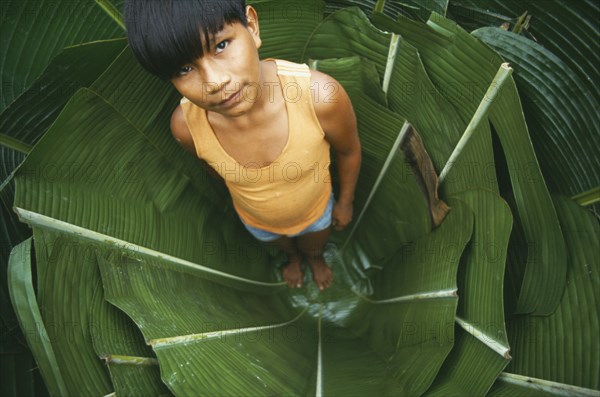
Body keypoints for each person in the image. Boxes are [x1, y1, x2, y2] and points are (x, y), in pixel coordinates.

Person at [124, 0, 361, 290]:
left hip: (316, 212)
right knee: (283, 246)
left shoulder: (320, 98)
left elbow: (348, 151)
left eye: (221, 46)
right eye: (185, 68)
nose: (215, 82)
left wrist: (345, 203)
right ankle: (293, 260)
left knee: (314, 245)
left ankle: (313, 259)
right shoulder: (186, 127)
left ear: (252, 26)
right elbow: (212, 168)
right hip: (256, 220)